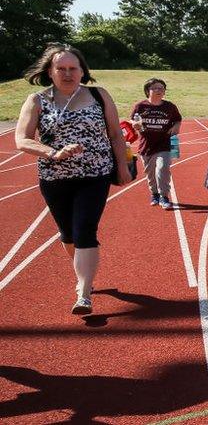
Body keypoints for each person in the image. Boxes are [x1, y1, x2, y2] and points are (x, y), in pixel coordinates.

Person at [15, 44, 132, 315]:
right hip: (55, 177)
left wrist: (123, 166)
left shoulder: (98, 95)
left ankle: (83, 291)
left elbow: (115, 133)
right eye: (61, 69)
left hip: (95, 175)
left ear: (82, 71)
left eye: (73, 68)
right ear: (50, 71)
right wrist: (53, 153)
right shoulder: (37, 100)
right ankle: (83, 271)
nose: (68, 74)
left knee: (84, 230)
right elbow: (22, 139)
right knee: (68, 234)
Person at [130, 78, 182, 210]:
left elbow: (177, 119)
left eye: (162, 88)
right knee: (150, 173)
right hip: (146, 145)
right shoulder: (140, 106)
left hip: (163, 144)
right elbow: (132, 120)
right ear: (148, 90)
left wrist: (176, 127)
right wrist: (135, 124)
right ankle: (154, 194)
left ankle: (164, 196)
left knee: (162, 168)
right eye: (155, 88)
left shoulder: (170, 107)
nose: (159, 90)